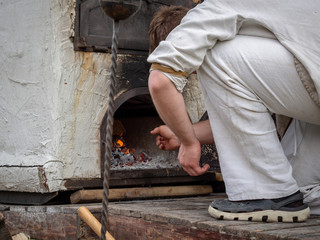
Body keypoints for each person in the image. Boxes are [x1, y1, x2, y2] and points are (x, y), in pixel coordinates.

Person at [147, 0, 320, 223]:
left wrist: (189, 143)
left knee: (214, 54)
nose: (196, 76)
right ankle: (277, 194)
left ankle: (262, 192)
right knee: (301, 191)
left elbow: (160, 80)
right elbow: (249, 119)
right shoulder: (263, 22)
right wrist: (183, 133)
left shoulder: (212, 11)